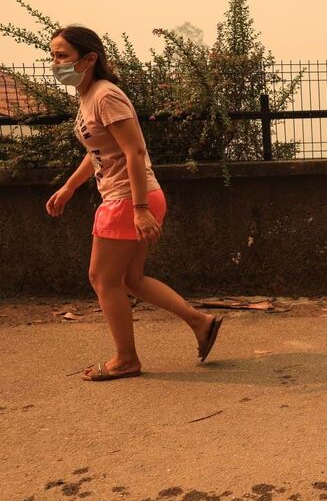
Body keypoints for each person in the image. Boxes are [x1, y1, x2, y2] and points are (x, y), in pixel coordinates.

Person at [45, 26, 223, 381]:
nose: (55, 63)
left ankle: (126, 359)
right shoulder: (89, 96)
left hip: (128, 199)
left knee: (102, 279)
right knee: (131, 279)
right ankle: (201, 322)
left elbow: (135, 151)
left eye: (62, 56)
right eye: (52, 56)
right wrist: (69, 187)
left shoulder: (105, 96)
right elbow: (99, 151)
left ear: (89, 58)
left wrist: (140, 210)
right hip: (132, 196)